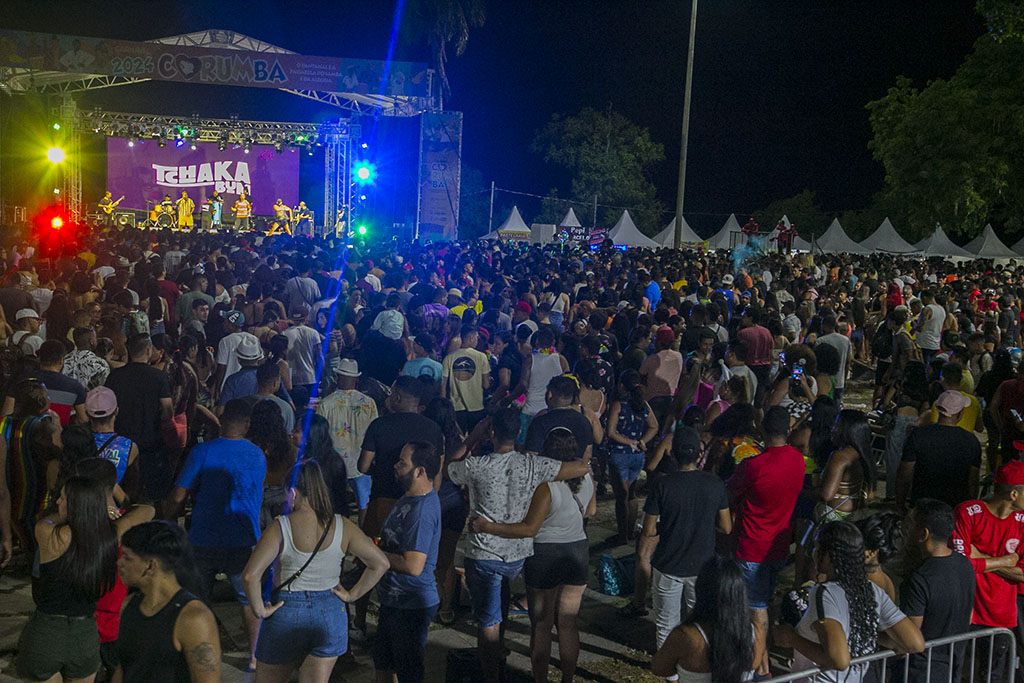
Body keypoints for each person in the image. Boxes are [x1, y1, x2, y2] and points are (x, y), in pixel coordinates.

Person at [449, 408, 590, 683]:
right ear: (519, 433)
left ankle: (493, 675)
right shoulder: (534, 466)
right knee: (548, 615)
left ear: (492, 432)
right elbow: (582, 468)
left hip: (486, 552)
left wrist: (471, 439)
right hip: (518, 555)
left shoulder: (476, 465)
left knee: (490, 622)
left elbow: (448, 469)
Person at [241, 460, 389, 683]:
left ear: (292, 492)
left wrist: (259, 610)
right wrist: (352, 595)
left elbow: (250, 575)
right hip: (330, 611)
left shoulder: (281, 527)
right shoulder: (342, 525)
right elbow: (381, 563)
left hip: (287, 611)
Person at [15, 476, 153, 682]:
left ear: (75, 505)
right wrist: (97, 513)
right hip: (86, 635)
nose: (58, 502)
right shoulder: (109, 535)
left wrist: (80, 515)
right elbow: (147, 510)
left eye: (63, 499)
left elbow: (47, 519)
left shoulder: (51, 534)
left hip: (46, 634)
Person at [165, 398, 266, 671]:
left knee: (198, 598)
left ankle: (200, 652)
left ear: (221, 422)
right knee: (248, 599)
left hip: (203, 538)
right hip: (243, 540)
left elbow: (178, 494)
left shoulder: (203, 452)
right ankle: (255, 657)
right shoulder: (258, 455)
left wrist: (168, 517)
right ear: (246, 425)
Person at [774, 521, 925, 683]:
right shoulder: (872, 590)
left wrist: (792, 639)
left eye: (817, 548)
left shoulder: (825, 593)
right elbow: (915, 643)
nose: (814, 553)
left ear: (829, 556)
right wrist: (865, 636)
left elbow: (839, 660)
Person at [727, 405, 806, 674]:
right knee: (765, 603)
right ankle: (765, 656)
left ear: (762, 429)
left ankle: (761, 669)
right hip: (780, 545)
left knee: (755, 611)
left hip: (752, 548)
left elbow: (730, 495)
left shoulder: (753, 465)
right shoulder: (798, 460)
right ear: (788, 430)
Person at [640, 426, 731, 654]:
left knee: (666, 623)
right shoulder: (714, 484)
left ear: (671, 454)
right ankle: (698, 664)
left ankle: (669, 673)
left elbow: (649, 530)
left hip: (668, 564)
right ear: (699, 455)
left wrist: (668, 524)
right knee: (701, 621)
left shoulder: (663, 484)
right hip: (703, 565)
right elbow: (726, 527)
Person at [115, 521, 220, 683]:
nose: (119, 563)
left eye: (127, 558)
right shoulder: (129, 605)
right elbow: (123, 669)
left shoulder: (194, 618)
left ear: (150, 566)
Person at [373, 442, 443, 683]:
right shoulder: (410, 498)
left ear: (419, 471)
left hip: (410, 604)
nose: (396, 465)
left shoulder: (421, 511)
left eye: (403, 462)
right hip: (395, 600)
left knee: (407, 673)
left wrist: (373, 554)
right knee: (384, 664)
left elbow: (413, 566)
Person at [951, 460, 1024, 679]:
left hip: (1002, 614)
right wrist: (1006, 561)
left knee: (991, 676)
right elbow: (960, 563)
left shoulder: (1022, 522)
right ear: (1013, 494)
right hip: (966, 610)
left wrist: (981, 558)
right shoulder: (968, 512)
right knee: (955, 670)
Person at [650, 557, 766, 683]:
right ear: (740, 592)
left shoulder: (686, 636)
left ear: (701, 589)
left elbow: (659, 668)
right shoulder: (757, 632)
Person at [899, 498, 976, 683]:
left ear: (923, 533)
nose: (904, 529)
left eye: (910, 524)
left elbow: (909, 634)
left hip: (921, 670)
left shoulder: (919, 578)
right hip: (953, 664)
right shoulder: (964, 564)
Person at [105, 335, 174, 503]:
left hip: (121, 440)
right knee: (150, 490)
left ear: (128, 351)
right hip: (150, 440)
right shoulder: (158, 377)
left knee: (124, 486)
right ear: (149, 351)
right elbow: (168, 409)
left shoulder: (115, 376)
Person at [897, 390, 981, 510]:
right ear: (960, 413)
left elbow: (904, 473)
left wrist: (900, 504)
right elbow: (973, 481)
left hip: (923, 505)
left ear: (937, 409)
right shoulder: (971, 441)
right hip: (956, 508)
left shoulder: (918, 435)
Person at [606, 370, 659, 543]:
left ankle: (623, 535)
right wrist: (641, 441)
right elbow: (654, 426)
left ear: (622, 385)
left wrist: (628, 441)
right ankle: (630, 532)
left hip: (619, 455)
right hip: (637, 456)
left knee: (621, 497)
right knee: (632, 495)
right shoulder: (642, 404)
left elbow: (611, 432)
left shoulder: (619, 404)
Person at [522, 375, 595, 461]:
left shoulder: (541, 421)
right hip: (574, 472)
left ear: (549, 394)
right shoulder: (584, 421)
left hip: (546, 472)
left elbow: (530, 457)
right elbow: (587, 455)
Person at [84, 386, 138, 492]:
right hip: (113, 505)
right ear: (116, 411)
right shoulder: (130, 447)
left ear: (87, 413)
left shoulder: (78, 441)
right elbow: (133, 486)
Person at [442, 323, 491, 433]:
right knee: (476, 439)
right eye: (477, 338)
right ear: (471, 337)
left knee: (460, 438)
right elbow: (486, 384)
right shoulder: (482, 357)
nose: (477, 341)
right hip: (476, 406)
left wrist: (445, 406)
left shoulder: (449, 358)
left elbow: (443, 385)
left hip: (456, 407)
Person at [640, 326, 684, 429]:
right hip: (671, 400)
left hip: (652, 400)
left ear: (659, 342)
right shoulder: (679, 357)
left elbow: (641, 376)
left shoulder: (651, 359)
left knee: (650, 430)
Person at [283, 305, 324, 406]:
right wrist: (323, 375)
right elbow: (319, 356)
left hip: (292, 377)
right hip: (309, 376)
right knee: (310, 407)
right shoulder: (314, 333)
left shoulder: (284, 333)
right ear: (306, 318)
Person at [816, 315, 853, 404]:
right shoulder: (846, 340)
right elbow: (849, 361)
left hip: (824, 381)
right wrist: (845, 379)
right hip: (840, 380)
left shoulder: (821, 341)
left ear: (824, 326)